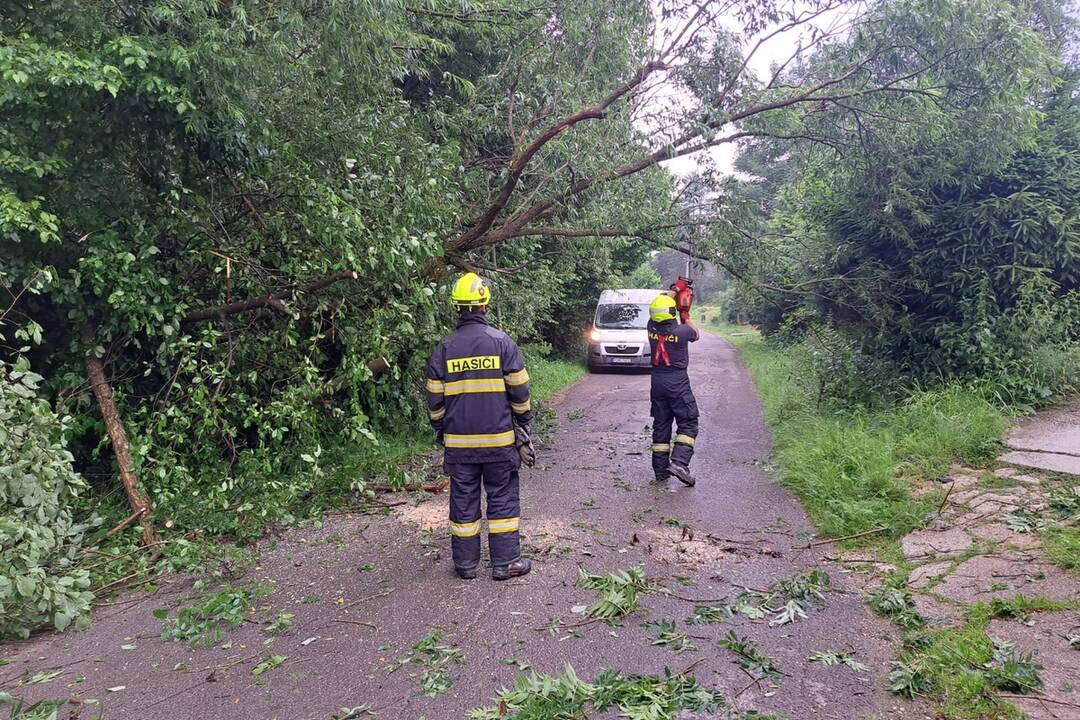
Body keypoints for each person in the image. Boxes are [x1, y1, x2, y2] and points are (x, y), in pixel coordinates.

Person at [425, 273, 534, 580]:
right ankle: (505, 563)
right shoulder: (502, 343)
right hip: (499, 443)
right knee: (502, 497)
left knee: (463, 501)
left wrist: (440, 429)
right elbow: (520, 391)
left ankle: (466, 565)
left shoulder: (444, 348)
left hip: (459, 447)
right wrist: (523, 423)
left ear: (456, 306)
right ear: (485, 303)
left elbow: (434, 399)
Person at [647, 293, 699, 486]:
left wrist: (673, 291)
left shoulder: (650, 327)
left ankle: (660, 471)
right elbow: (696, 333)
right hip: (677, 383)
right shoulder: (682, 331)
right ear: (672, 312)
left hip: (657, 382)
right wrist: (685, 313)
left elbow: (658, 309)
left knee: (661, 424)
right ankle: (679, 463)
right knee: (688, 422)